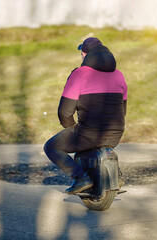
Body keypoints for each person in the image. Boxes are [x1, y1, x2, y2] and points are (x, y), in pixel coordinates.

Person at [44, 37, 127, 194]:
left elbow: (64, 112)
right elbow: (123, 110)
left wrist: (71, 128)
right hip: (116, 132)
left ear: (84, 54)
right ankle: (116, 174)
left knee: (51, 146)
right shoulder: (119, 75)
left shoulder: (80, 74)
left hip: (89, 134)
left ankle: (80, 177)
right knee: (94, 141)